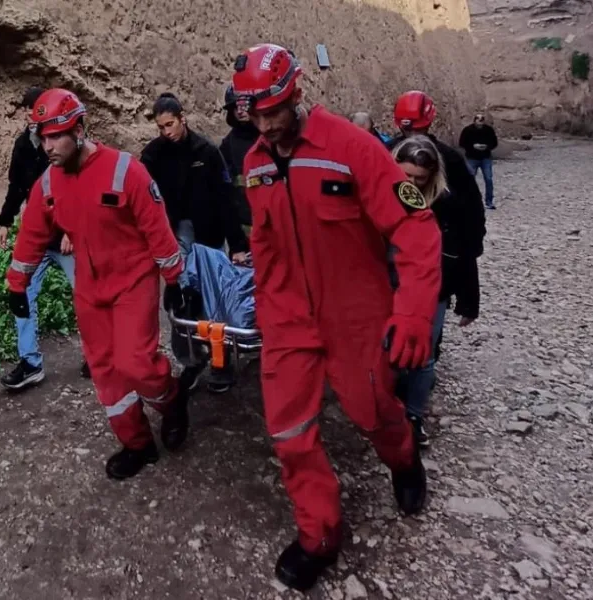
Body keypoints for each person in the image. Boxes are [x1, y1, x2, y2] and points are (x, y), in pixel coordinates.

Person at [229, 43, 440, 591]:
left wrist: (414, 313)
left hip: (356, 319)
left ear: (295, 95)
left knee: (373, 414)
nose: (266, 124)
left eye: (273, 110)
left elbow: (416, 228)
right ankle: (319, 536)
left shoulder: (354, 147)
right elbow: (268, 242)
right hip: (288, 323)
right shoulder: (253, 165)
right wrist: (260, 303)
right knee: (290, 435)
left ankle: (405, 459)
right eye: (255, 113)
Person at [6, 88, 197, 480]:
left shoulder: (126, 171)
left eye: (56, 135)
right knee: (105, 370)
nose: (48, 146)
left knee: (137, 363)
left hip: (133, 281)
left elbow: (157, 228)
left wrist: (175, 279)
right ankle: (137, 444)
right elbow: (31, 235)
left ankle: (172, 400)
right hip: (90, 288)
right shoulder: (48, 184)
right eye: (43, 137)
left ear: (79, 129)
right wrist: (16, 284)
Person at [140, 92, 250, 393]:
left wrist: (237, 244)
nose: (167, 132)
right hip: (176, 239)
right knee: (181, 300)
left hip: (210, 236)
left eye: (170, 124)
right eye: (161, 127)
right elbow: (145, 204)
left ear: (182, 118)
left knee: (214, 302)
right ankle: (190, 359)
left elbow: (226, 200)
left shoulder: (207, 152)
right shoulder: (152, 156)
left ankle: (221, 364)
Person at [0, 86, 89, 390]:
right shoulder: (24, 145)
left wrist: (69, 231)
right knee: (22, 294)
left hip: (66, 239)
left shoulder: (68, 147)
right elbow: (17, 186)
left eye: (35, 108)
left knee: (87, 296)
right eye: (27, 109)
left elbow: (76, 191)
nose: (30, 114)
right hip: (37, 237)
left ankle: (95, 354)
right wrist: (4, 220)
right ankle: (30, 363)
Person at [390, 135, 480, 447]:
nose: (412, 184)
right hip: (386, 286)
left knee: (423, 355)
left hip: (433, 290)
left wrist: (469, 300)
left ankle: (414, 417)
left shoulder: (447, 206)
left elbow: (463, 253)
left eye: (419, 178)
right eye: (406, 176)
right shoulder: (376, 199)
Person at [391, 90, 487, 361]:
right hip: (437, 262)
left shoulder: (386, 153)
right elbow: (471, 213)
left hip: (403, 262)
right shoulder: (449, 158)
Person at [219, 84, 260, 230]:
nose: (240, 111)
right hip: (244, 219)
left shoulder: (269, 135)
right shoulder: (228, 143)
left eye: (244, 106)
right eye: (236, 107)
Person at [458, 113, 498, 209]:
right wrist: (472, 146)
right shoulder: (468, 130)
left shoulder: (488, 130)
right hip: (472, 158)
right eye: (478, 120)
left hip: (485, 158)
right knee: (470, 180)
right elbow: (462, 143)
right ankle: (469, 201)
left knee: (488, 179)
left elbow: (494, 142)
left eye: (482, 121)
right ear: (474, 120)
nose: (480, 123)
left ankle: (489, 201)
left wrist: (487, 147)